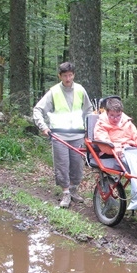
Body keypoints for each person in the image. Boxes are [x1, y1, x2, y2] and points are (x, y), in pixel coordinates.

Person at [33, 62, 94, 208]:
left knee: (77, 166)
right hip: (59, 135)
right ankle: (65, 193)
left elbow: (89, 110)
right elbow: (38, 109)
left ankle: (73, 191)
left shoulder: (80, 90)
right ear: (59, 76)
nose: (68, 78)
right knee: (62, 165)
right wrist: (44, 127)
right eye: (65, 75)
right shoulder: (54, 92)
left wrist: (89, 129)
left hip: (78, 135)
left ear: (74, 75)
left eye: (70, 75)